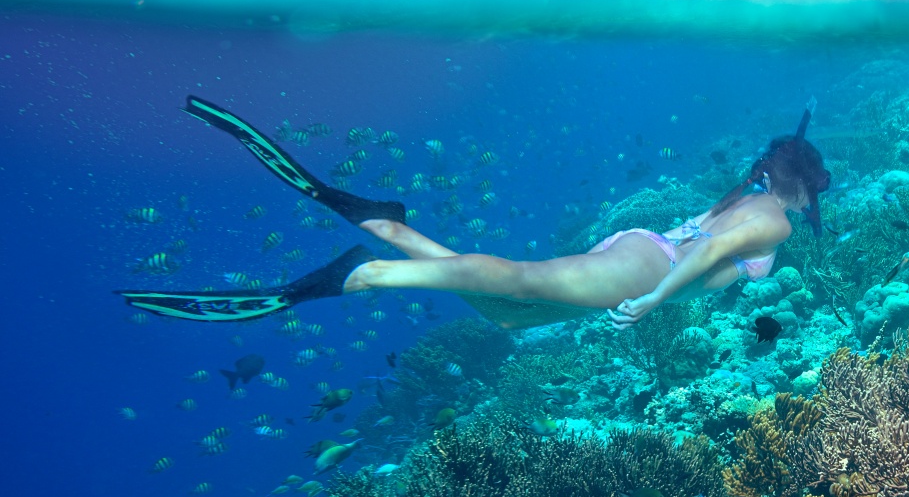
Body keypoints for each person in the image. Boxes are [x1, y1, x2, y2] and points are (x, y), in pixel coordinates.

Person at [118, 97, 829, 331]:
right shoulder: (776, 218)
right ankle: (370, 274)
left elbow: (710, 241)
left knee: (505, 313)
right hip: (651, 267)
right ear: (806, 185)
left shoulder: (750, 191)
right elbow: (705, 255)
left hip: (644, 253)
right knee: (518, 279)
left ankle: (385, 225)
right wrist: (651, 301)